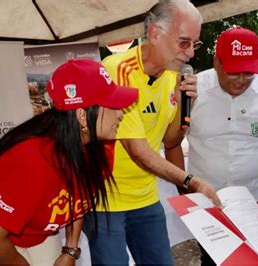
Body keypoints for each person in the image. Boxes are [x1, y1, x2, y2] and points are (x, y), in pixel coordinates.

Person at [82, 0, 220, 265]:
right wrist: (192, 181)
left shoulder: (172, 76)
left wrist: (183, 103)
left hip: (146, 195)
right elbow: (138, 151)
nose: (191, 53)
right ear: (155, 33)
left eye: (195, 44)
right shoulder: (117, 69)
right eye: (184, 42)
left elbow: (170, 141)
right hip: (106, 199)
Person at [0, 59, 138, 265]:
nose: (121, 113)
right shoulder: (31, 160)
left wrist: (71, 250)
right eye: (112, 106)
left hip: (37, 234)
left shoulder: (102, 148)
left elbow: (79, 200)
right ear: (82, 116)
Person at [187, 26, 258, 265]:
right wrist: (184, 186)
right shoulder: (194, 89)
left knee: (257, 259)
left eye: (248, 73)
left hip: (255, 196)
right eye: (234, 73)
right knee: (214, 259)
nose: (241, 81)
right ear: (216, 63)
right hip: (206, 197)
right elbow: (171, 141)